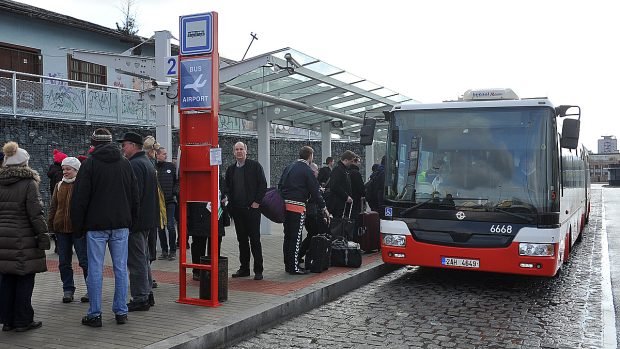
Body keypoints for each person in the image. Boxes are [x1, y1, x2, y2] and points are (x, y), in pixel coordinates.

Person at [71, 128, 138, 327]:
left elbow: (80, 198)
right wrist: (131, 220)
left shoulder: (89, 164)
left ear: (94, 144)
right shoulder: (125, 163)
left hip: (96, 225)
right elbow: (134, 195)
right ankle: (120, 312)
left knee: (95, 270)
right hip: (121, 225)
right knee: (120, 269)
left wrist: (78, 227)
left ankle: (95, 314)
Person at [0, 141, 49, 333]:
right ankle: (22, 320)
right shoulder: (29, 184)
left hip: (3, 239)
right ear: (24, 164)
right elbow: (35, 214)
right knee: (24, 280)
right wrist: (43, 236)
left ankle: (7, 321)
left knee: (6, 280)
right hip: (24, 238)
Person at [117, 132, 158, 311]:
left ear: (133, 145)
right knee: (144, 257)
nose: (122, 148)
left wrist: (129, 220)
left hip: (137, 221)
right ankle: (147, 294)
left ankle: (140, 297)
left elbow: (134, 196)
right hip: (148, 219)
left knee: (136, 260)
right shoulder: (147, 162)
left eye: (124, 145)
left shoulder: (134, 165)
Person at [280, 146, 329, 274]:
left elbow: (280, 185)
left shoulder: (289, 167)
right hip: (297, 206)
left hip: (285, 206)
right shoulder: (306, 170)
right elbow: (315, 190)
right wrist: (323, 207)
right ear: (310, 156)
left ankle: (288, 264)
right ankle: (294, 267)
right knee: (296, 238)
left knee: (288, 237)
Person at [47, 156, 89, 304]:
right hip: (61, 230)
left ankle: (91, 289)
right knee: (64, 262)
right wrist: (50, 226)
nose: (65, 172)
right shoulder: (59, 185)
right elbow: (53, 207)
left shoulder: (82, 185)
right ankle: (68, 289)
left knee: (84, 261)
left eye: (68, 169)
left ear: (76, 170)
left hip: (78, 230)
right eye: (63, 169)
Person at [224, 142, 267, 280]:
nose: (239, 151)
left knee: (255, 240)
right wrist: (229, 204)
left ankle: (258, 270)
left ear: (246, 151)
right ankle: (244, 269)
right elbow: (227, 188)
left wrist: (257, 202)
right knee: (241, 240)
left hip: (252, 210)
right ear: (233, 152)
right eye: (236, 149)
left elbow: (263, 184)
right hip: (237, 211)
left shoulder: (255, 166)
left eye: (241, 149)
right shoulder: (231, 169)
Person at [187, 176, 227, 281]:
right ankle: (197, 270)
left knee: (214, 245)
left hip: (215, 218)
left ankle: (212, 270)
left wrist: (225, 198)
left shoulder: (219, 177)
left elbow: (226, 192)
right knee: (198, 245)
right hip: (199, 216)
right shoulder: (195, 179)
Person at [298, 162, 328, 264]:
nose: (318, 172)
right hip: (311, 212)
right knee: (313, 234)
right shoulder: (310, 180)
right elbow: (312, 196)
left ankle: (301, 254)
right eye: (316, 170)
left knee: (312, 234)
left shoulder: (308, 180)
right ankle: (303, 254)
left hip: (310, 211)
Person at [156, 147, 178, 261]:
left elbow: (176, 181)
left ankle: (173, 250)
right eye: (163, 154)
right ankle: (164, 251)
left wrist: (173, 192)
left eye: (166, 154)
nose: (165, 156)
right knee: (160, 227)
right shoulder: (154, 167)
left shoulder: (170, 166)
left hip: (170, 201)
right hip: (159, 203)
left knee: (170, 225)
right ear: (157, 155)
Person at [47, 148, 67, 254]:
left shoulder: (53, 171)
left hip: (54, 198)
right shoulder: (60, 173)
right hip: (61, 200)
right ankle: (60, 246)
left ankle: (57, 246)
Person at [327, 150, 356, 220]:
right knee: (338, 223)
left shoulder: (343, 170)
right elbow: (334, 186)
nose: (352, 163)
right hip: (338, 203)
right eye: (351, 161)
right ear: (346, 160)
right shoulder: (338, 170)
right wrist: (346, 197)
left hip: (341, 202)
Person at [349, 156, 366, 234]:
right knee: (355, 219)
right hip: (355, 199)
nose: (359, 163)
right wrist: (364, 193)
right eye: (358, 161)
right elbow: (360, 187)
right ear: (354, 162)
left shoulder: (347, 171)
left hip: (348, 199)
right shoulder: (356, 173)